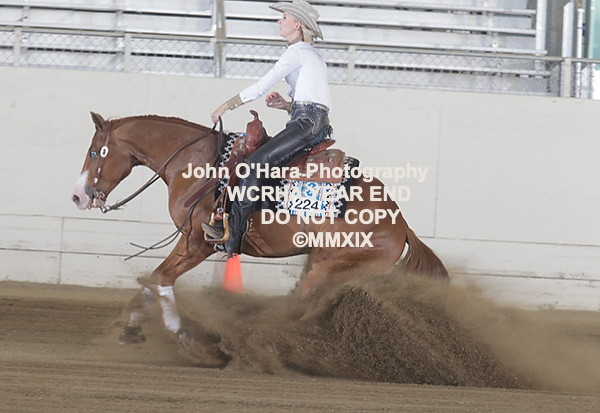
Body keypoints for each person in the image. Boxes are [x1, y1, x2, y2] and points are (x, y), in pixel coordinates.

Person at [202, 0, 332, 256]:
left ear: (297, 24)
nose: (279, 21)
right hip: (311, 121)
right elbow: (315, 100)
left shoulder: (296, 52)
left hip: (306, 123)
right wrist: (287, 105)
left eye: (284, 17)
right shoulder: (311, 55)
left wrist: (225, 106)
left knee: (254, 165)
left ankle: (233, 237)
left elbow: (262, 86)